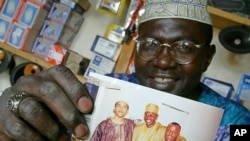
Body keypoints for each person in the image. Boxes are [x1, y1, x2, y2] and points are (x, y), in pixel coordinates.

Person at [0, 0, 250, 140]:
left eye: (184, 47)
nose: (163, 61)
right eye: (150, 44)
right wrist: (16, 115)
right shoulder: (102, 92)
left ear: (207, 57)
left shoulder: (236, 121)